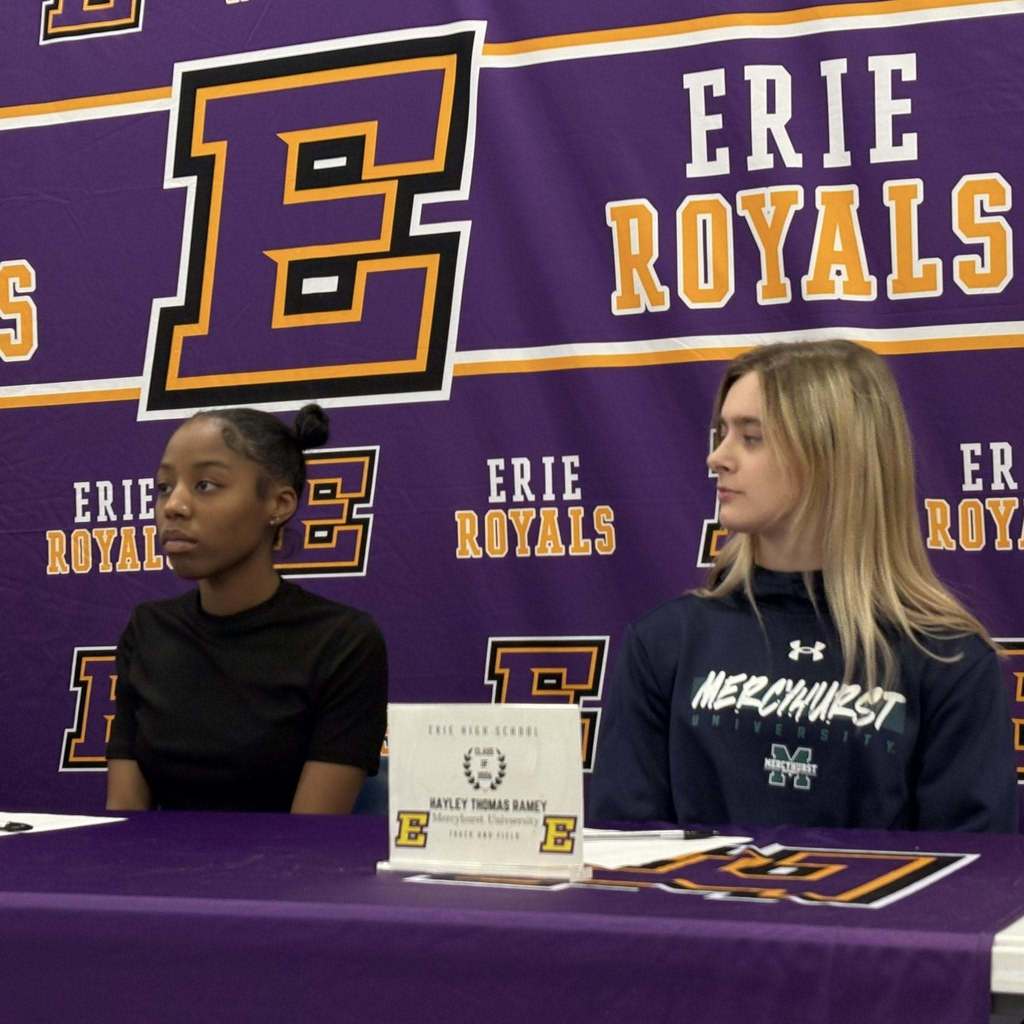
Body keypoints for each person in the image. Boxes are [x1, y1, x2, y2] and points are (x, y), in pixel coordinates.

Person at [590, 339, 1017, 832]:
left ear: (833, 457)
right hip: (696, 912)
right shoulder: (666, 645)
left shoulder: (947, 662)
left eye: (751, 438)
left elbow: (971, 882)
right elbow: (622, 856)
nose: (717, 459)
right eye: (722, 434)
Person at [106, 404, 387, 814]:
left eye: (205, 485)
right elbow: (125, 819)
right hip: (154, 873)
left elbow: (312, 835)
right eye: (164, 487)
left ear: (279, 503)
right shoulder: (148, 630)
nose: (173, 506)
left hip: (292, 875)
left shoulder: (343, 642)